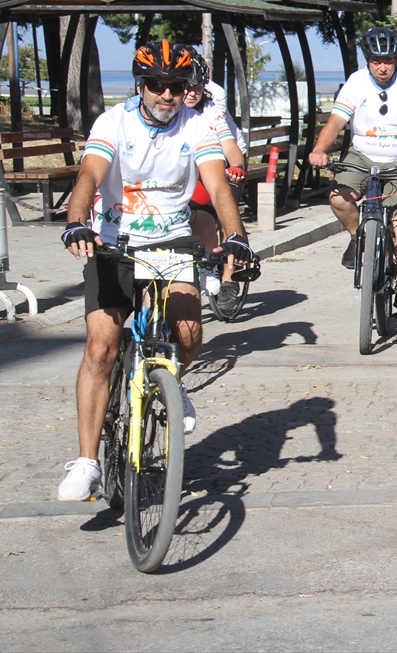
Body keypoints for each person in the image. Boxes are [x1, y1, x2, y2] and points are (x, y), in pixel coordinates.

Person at [56, 40, 252, 501]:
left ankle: (171, 382)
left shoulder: (197, 125)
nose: (167, 95)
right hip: (114, 243)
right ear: (140, 85)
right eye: (157, 85)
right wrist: (76, 222)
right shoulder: (114, 122)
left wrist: (236, 236)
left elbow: (216, 185)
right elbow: (89, 175)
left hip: (173, 242)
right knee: (101, 348)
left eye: (176, 86)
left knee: (189, 334)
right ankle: (87, 462)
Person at [307, 26, 397, 319]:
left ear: (396, 60)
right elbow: (336, 121)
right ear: (367, 60)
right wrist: (319, 149)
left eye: (388, 61)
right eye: (376, 61)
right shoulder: (356, 82)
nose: (382, 67)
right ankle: (359, 236)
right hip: (363, 156)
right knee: (339, 197)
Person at [184, 49, 247, 301]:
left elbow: (229, 144)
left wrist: (237, 166)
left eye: (197, 88)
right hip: (189, 165)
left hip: (225, 160)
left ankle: (229, 277)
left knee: (224, 211)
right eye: (186, 87)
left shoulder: (211, 109)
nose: (191, 93)